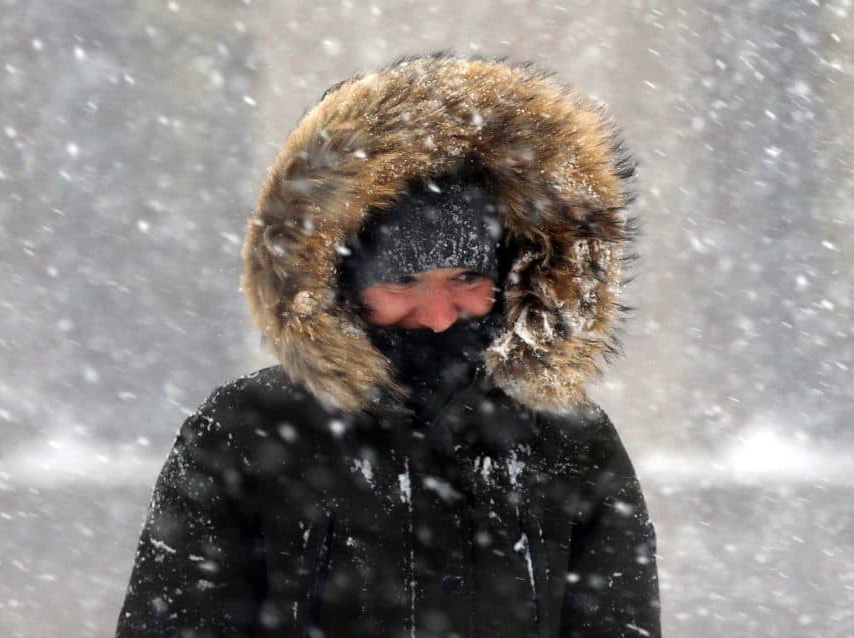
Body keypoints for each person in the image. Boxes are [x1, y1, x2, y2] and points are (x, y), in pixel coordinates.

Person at [115, 53, 661, 638]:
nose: (437, 316)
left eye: (465, 279)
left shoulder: (571, 442)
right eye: (402, 281)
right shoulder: (243, 434)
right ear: (338, 284)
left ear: (510, 275)